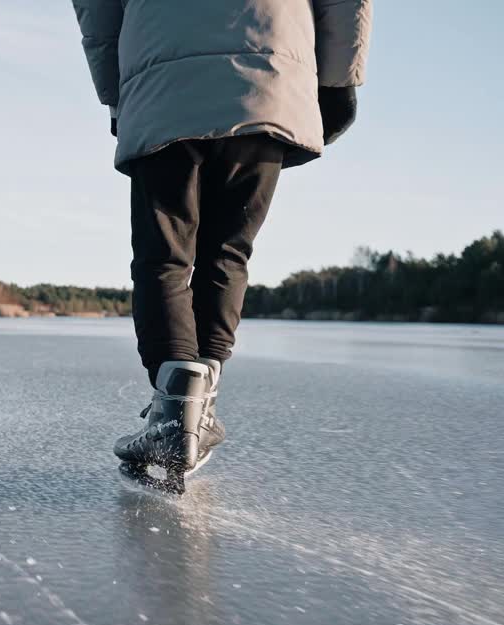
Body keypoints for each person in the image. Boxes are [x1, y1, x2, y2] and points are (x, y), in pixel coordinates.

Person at [72, 0, 373, 493]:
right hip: (270, 71)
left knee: (164, 259)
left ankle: (175, 414)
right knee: (228, 254)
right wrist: (340, 81)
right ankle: (198, 414)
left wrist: (115, 87)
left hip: (160, 73)